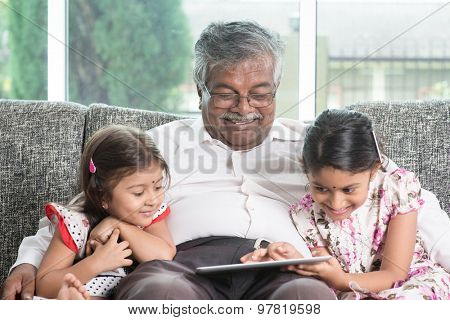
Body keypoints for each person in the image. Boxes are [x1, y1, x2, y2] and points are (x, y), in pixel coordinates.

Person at [2, 21, 449, 300]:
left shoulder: (315, 145)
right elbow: (83, 207)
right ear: (199, 90)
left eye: (260, 94)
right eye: (225, 93)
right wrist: (28, 262)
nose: (245, 108)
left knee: (307, 295)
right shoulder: (157, 145)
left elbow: (406, 200)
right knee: (159, 292)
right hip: (178, 265)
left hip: (281, 266)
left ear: (276, 91)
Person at [243, 109, 450, 300]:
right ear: (307, 171)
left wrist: (341, 279)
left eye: (348, 189)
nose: (336, 203)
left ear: (374, 170)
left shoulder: (396, 191)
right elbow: (323, 269)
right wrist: (290, 256)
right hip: (353, 293)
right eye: (321, 188)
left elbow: (395, 273)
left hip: (411, 284)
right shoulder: (305, 215)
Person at [35, 125, 175, 298]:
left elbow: (164, 255)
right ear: (103, 197)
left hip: (131, 294)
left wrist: (120, 226)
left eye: (157, 186)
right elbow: (44, 285)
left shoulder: (149, 214)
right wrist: (95, 263)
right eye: (138, 193)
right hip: (88, 291)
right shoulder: (77, 223)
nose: (153, 199)